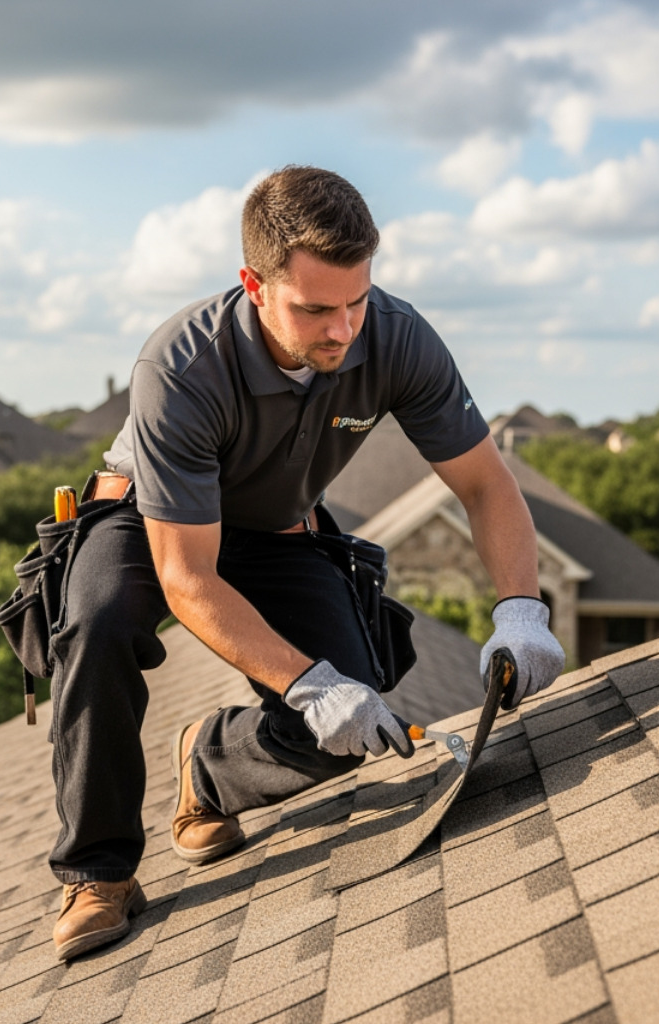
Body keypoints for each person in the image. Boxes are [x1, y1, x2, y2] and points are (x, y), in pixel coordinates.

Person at [41, 166, 565, 961]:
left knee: (352, 714)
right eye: (315, 309)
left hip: (276, 528)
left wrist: (521, 611)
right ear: (253, 283)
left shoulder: (396, 336)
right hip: (152, 522)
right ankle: (98, 869)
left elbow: (487, 485)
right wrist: (305, 682)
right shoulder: (180, 369)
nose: (342, 329)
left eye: (356, 301)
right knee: (99, 622)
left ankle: (210, 764)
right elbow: (187, 578)